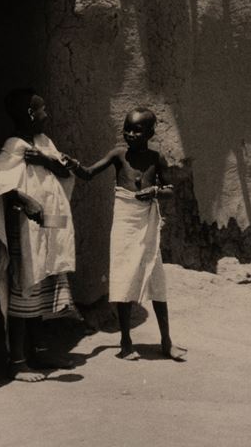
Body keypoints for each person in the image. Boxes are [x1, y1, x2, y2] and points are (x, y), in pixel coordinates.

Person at [0, 90, 77, 382]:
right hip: (25, 229)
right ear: (31, 114)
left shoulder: (43, 143)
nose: (47, 115)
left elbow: (64, 171)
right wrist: (25, 199)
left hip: (48, 224)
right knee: (24, 290)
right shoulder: (14, 146)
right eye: (43, 109)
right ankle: (18, 361)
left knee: (42, 286)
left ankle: (40, 350)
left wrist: (44, 161)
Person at [69, 107, 185, 362]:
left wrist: (154, 191)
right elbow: (88, 173)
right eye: (127, 128)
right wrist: (73, 165)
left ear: (150, 133)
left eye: (137, 130)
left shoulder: (156, 159)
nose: (130, 134)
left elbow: (170, 190)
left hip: (147, 221)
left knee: (156, 276)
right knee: (124, 276)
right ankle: (125, 342)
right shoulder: (118, 155)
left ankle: (166, 341)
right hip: (124, 220)